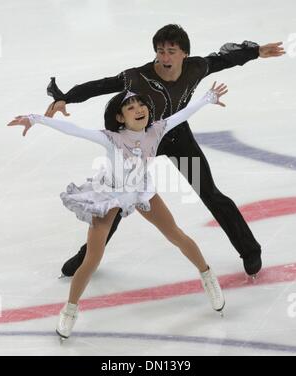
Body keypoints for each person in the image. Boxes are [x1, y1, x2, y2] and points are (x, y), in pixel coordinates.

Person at [45, 24, 285, 278]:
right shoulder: (138, 77)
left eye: (171, 51)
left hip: (178, 137)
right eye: (160, 51)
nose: (165, 57)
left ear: (184, 54)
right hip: (142, 141)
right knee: (119, 196)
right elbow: (100, 86)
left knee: (210, 192)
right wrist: (67, 98)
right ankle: (87, 257)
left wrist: (257, 51)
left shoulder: (196, 67)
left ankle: (249, 249)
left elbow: (225, 59)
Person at [8, 83, 227, 339]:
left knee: (175, 234)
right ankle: (69, 310)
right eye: (130, 107)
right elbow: (74, 130)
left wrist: (207, 98)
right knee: (92, 258)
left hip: (140, 190)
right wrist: (36, 119)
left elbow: (182, 115)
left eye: (141, 105)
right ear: (120, 117)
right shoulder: (111, 138)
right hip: (110, 194)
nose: (139, 110)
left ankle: (208, 276)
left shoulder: (157, 130)